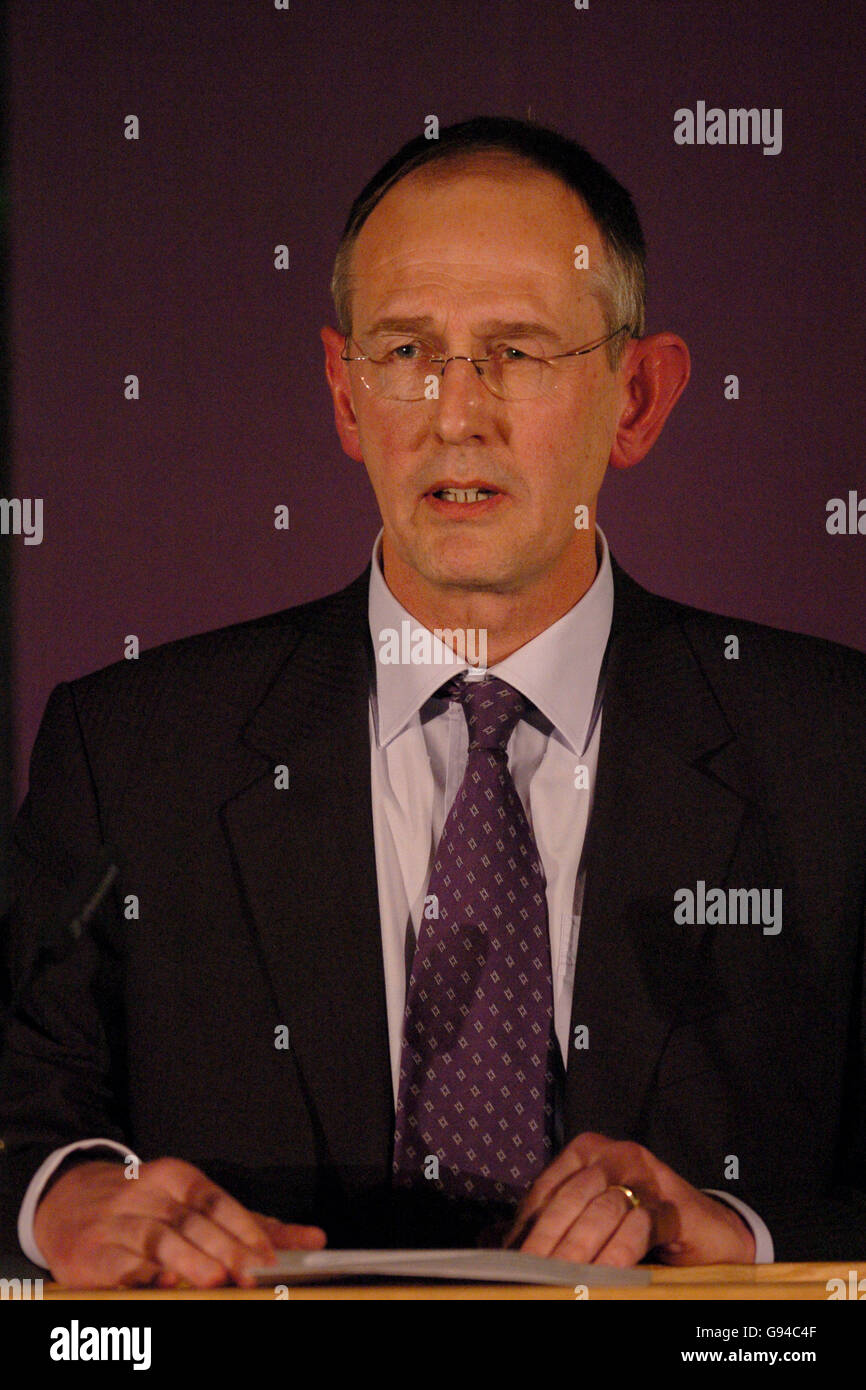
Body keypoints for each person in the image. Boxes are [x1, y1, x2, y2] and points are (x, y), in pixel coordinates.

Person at [1, 116, 864, 1290]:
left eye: (517, 352)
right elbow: (23, 1102)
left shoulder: (836, 753)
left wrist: (747, 1235)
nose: (456, 414)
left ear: (637, 397)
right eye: (405, 351)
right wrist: (68, 1200)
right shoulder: (131, 749)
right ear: (346, 395)